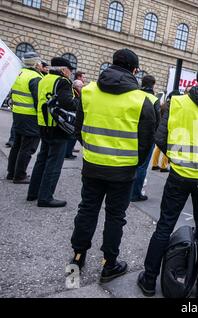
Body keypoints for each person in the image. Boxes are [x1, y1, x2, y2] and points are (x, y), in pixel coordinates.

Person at [137, 57, 198, 298]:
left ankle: (149, 280)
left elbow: (159, 137)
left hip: (179, 176)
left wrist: (176, 155)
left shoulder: (178, 102)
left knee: (165, 226)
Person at [70, 49, 157, 282]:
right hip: (124, 170)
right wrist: (133, 162)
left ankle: (77, 258)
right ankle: (108, 264)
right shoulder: (143, 100)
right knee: (115, 216)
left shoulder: (88, 91)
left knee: (87, 209)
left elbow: (78, 128)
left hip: (93, 164)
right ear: (135, 71)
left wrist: (92, 148)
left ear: (112, 64)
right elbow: (146, 140)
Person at [27, 56, 79, 208]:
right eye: (69, 70)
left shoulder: (44, 79)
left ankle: (33, 192)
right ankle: (45, 197)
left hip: (43, 123)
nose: (70, 73)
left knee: (42, 159)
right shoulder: (62, 81)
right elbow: (67, 102)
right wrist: (78, 101)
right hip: (58, 126)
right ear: (63, 70)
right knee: (54, 163)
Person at [7, 52, 45, 184]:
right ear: (35, 63)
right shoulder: (35, 77)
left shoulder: (20, 73)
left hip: (18, 113)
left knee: (17, 145)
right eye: (39, 62)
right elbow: (38, 101)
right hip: (30, 116)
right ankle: (20, 175)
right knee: (27, 147)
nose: (41, 64)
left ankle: (11, 172)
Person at [131, 74, 160, 202]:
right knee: (142, 166)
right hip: (147, 137)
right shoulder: (154, 99)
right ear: (153, 84)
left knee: (131, 163)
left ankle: (127, 190)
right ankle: (135, 193)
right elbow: (157, 122)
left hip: (132, 134)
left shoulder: (135, 94)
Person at [65, 71, 86, 160]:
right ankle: (68, 153)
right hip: (72, 116)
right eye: (81, 87)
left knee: (73, 136)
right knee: (72, 136)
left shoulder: (77, 92)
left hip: (74, 116)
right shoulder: (75, 92)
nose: (82, 88)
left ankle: (69, 151)